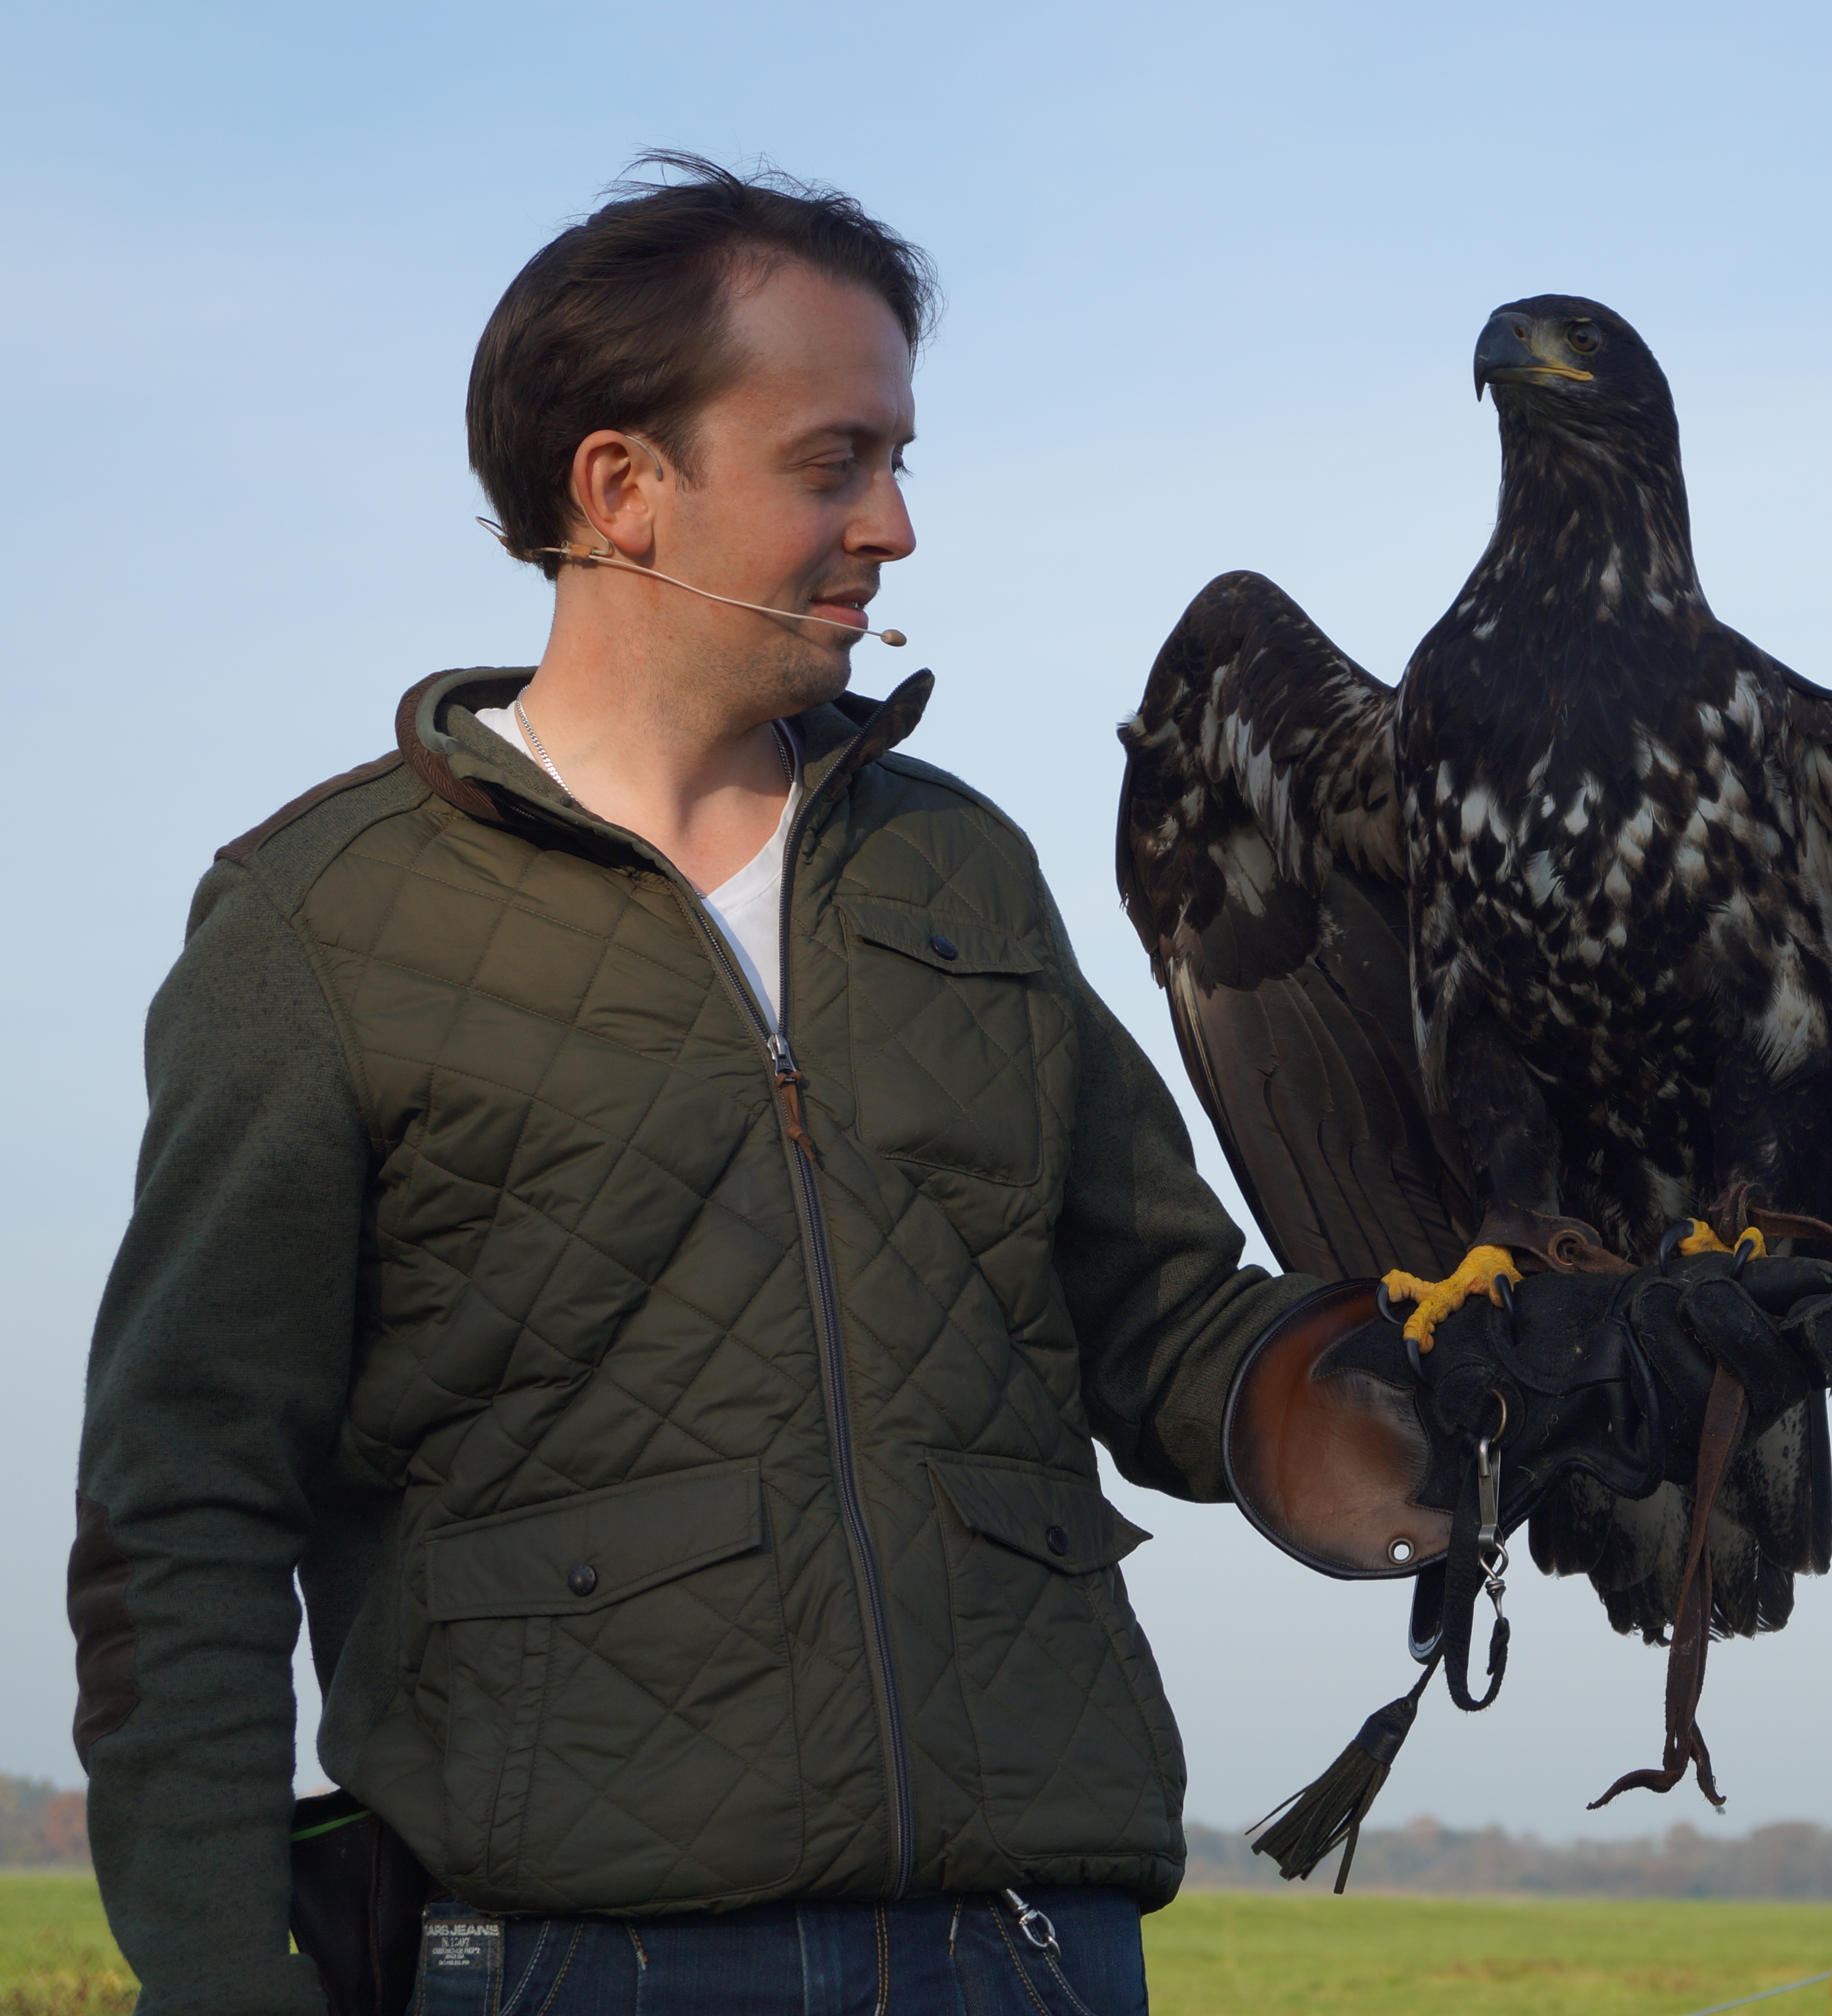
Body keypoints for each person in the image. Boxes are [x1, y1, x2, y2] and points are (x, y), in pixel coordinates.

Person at [68, 153, 1318, 2016]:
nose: (895, 523)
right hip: (574, 1960)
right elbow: (185, 1504)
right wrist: (222, 1982)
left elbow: (1161, 1317)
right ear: (621, 490)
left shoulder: (955, 866)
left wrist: (1402, 1407)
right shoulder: (315, 925)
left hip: (1033, 1947)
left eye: (902, 461)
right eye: (835, 463)